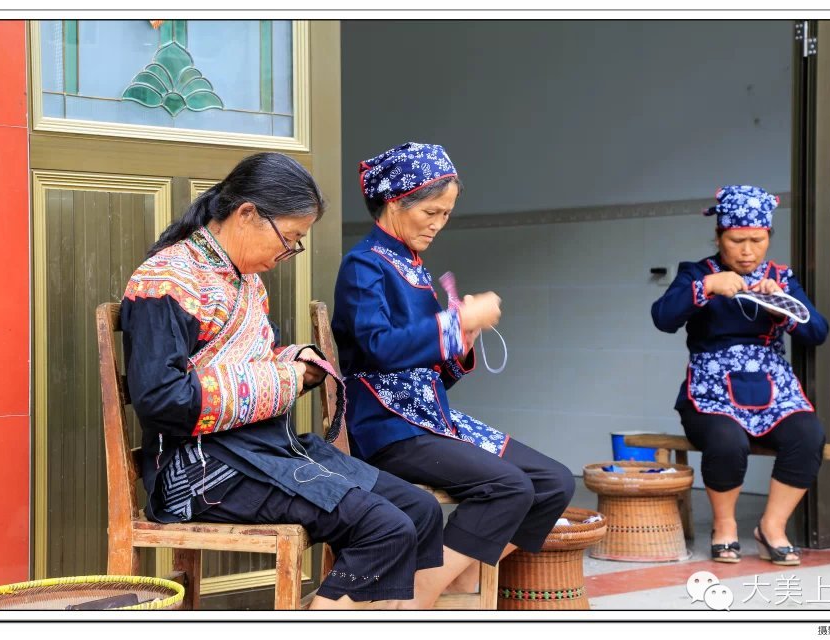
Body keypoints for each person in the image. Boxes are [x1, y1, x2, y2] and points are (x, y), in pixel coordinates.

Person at [120, 152, 447, 610]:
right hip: (198, 470)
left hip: (260, 449)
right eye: (290, 238)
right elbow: (161, 399)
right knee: (385, 527)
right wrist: (285, 378)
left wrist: (296, 363)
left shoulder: (245, 280)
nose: (288, 252)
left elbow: (251, 362)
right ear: (247, 213)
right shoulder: (166, 279)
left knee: (420, 509)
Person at [332, 142, 575, 602]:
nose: (438, 224)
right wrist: (454, 324)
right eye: (431, 211)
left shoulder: (413, 267)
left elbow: (432, 374)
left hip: (430, 420)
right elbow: (378, 349)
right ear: (393, 202)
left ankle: (456, 578)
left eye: (446, 214)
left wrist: (461, 344)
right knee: (507, 486)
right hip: (385, 426)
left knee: (553, 482)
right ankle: (418, 596)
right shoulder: (364, 264)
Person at [651, 185, 829, 566]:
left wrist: (782, 302)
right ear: (719, 236)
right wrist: (706, 288)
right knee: (726, 440)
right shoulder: (697, 272)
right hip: (710, 394)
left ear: (768, 238)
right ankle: (725, 526)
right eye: (736, 240)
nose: (747, 250)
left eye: (757, 240)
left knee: (808, 433)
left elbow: (817, 332)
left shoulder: (781, 276)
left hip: (772, 390)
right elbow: (663, 318)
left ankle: (772, 528)